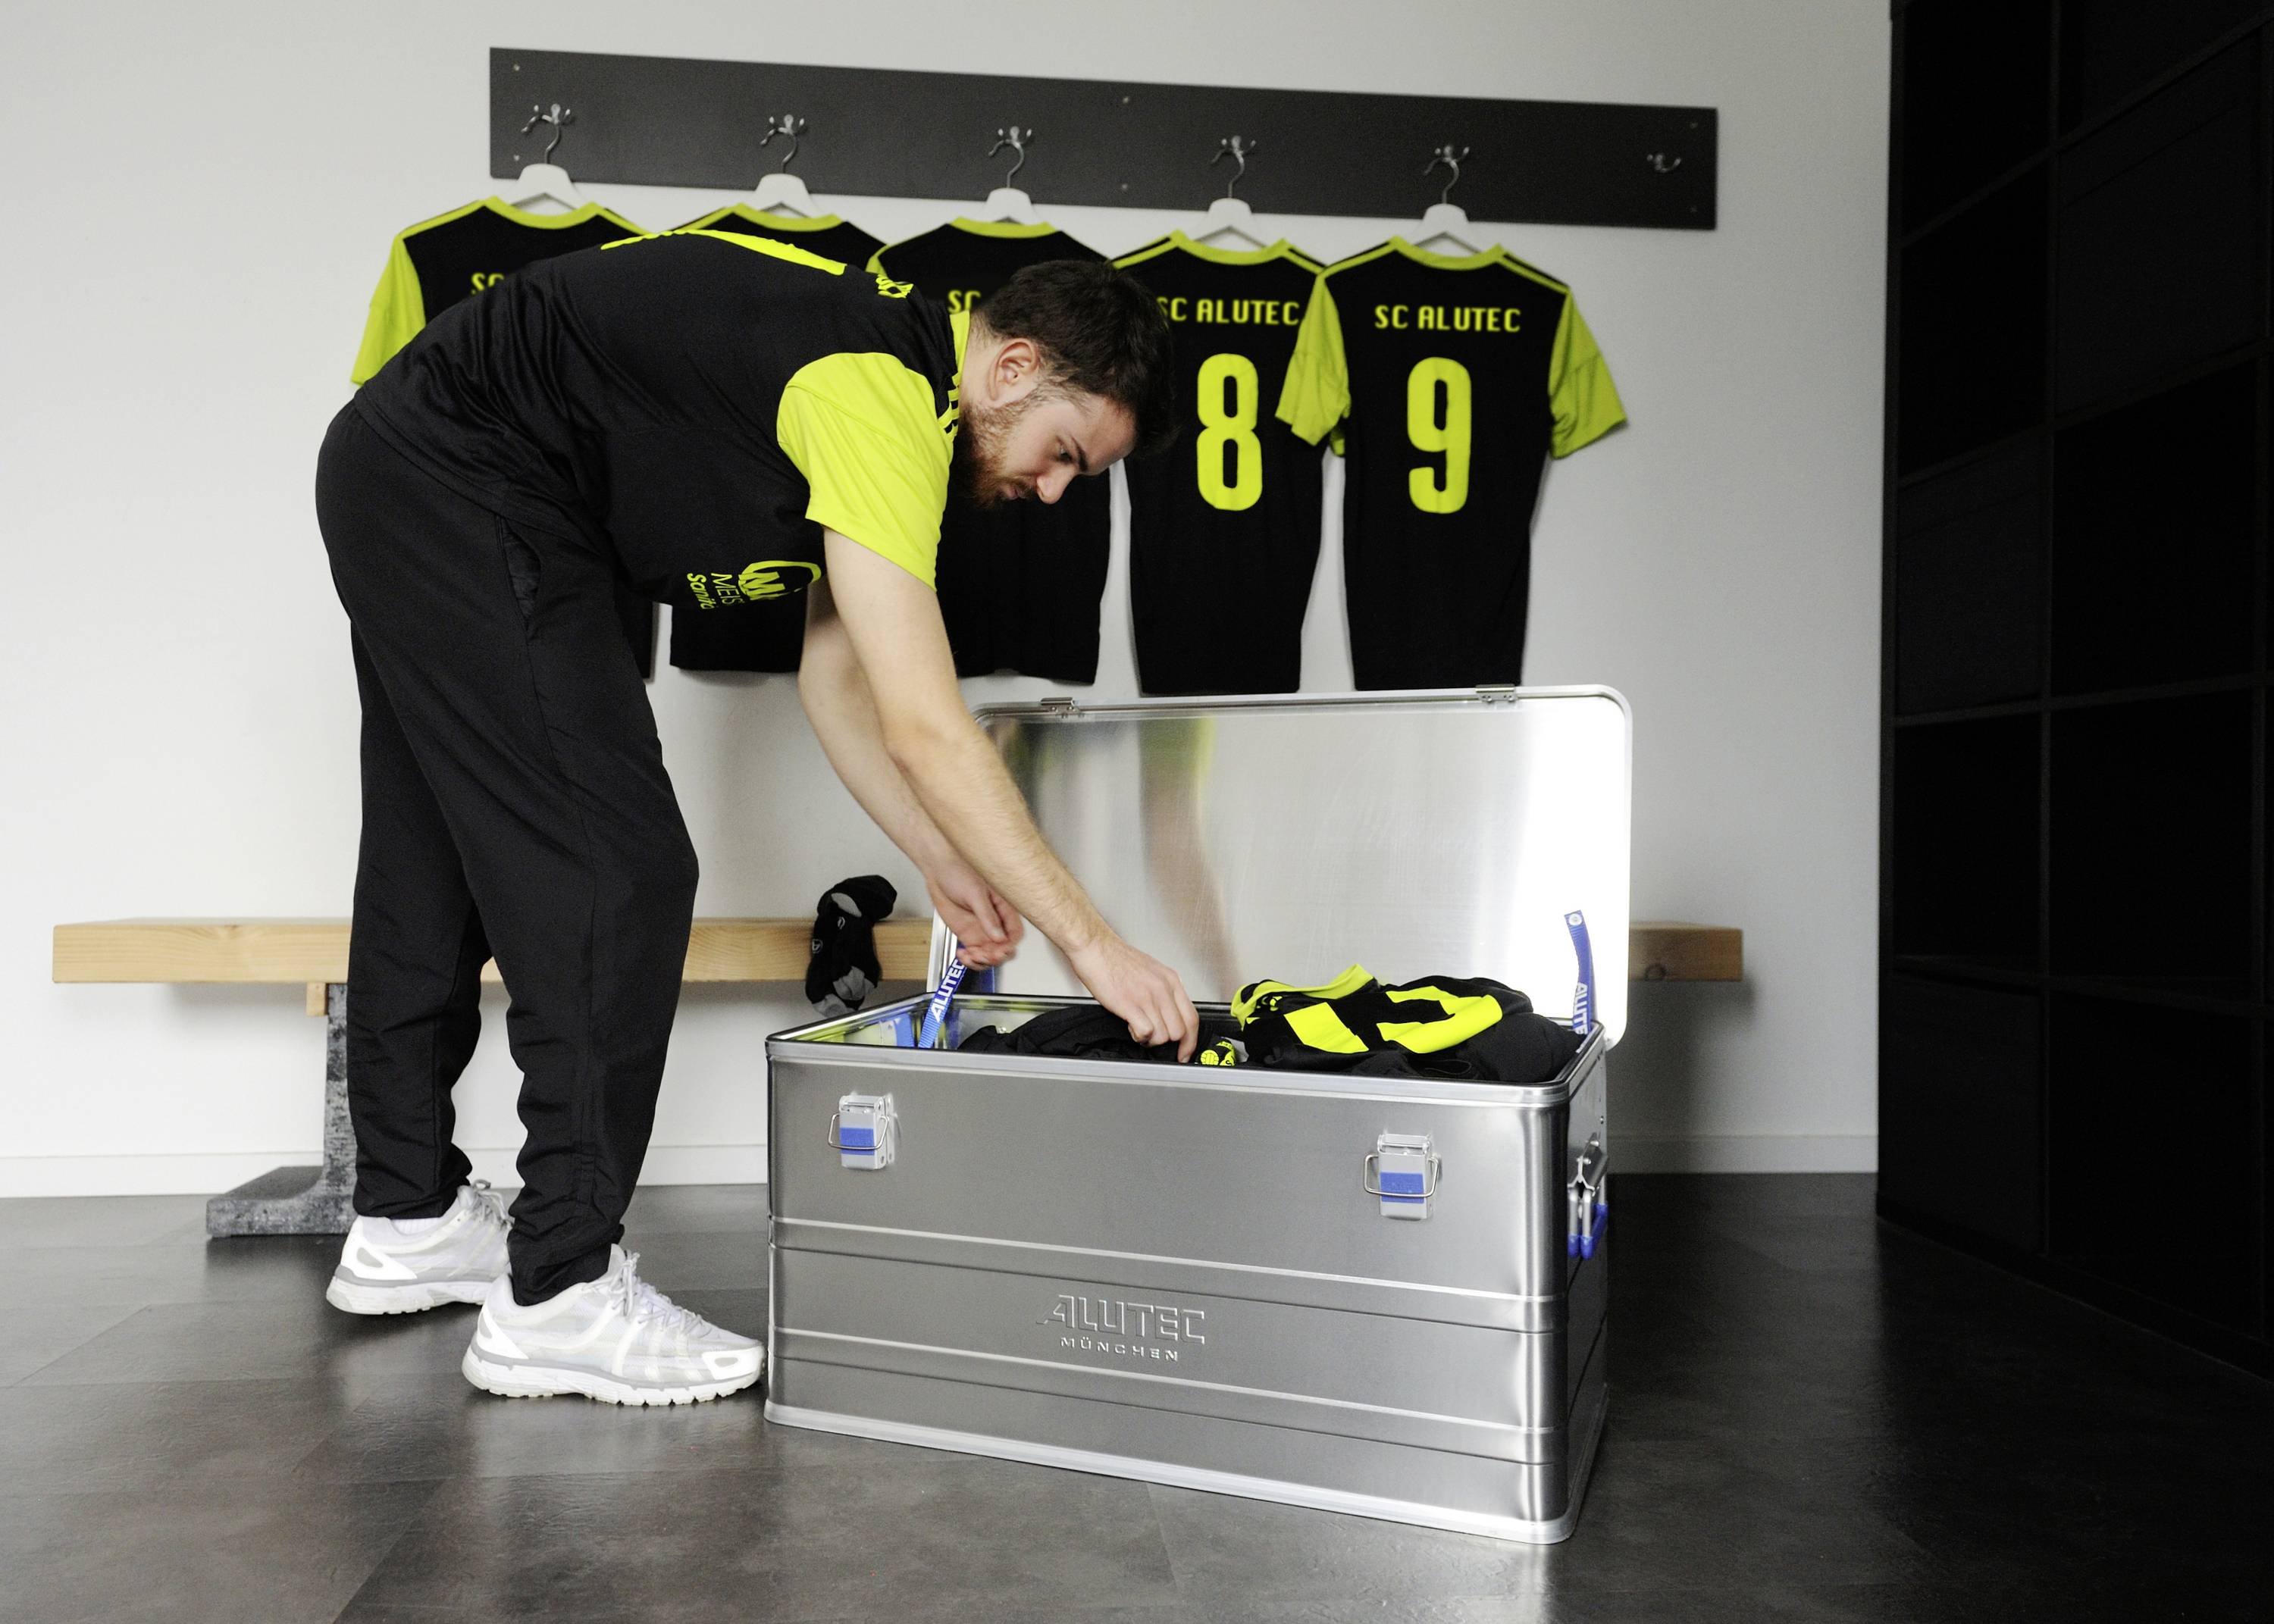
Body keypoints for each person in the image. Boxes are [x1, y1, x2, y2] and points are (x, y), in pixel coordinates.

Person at [310, 226, 1198, 1407]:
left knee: (436, 851)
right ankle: (560, 1293)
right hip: (469, 478)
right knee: (618, 869)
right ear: (1014, 368)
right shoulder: (880, 389)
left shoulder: (891, 397)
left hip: (404, 469)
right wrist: (1091, 942)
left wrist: (937, 856)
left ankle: (408, 1214)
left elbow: (840, 677)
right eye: (1064, 454)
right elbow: (931, 724)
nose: (1050, 489)